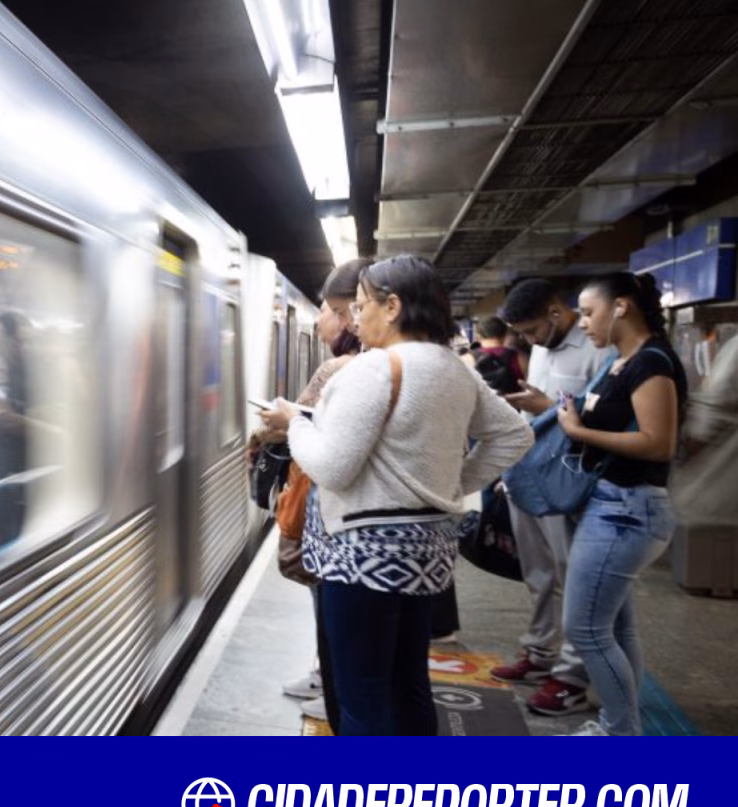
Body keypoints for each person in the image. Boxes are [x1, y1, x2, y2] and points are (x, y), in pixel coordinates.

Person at [260, 255, 532, 735]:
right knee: (409, 685)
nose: (355, 318)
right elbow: (515, 434)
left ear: (392, 307)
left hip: (362, 558)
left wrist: (294, 424)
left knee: (362, 698)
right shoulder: (455, 368)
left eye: (361, 305)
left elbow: (332, 468)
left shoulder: (374, 369)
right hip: (426, 555)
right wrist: (449, 484)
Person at [557, 272, 687, 736]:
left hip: (627, 510)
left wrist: (579, 432)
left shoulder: (650, 362)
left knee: (585, 628)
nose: (583, 322)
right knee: (613, 627)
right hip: (614, 506)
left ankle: (619, 733)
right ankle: (622, 726)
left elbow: (658, 443)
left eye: (588, 312)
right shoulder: (620, 360)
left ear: (621, 307)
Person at [258, 257, 368, 730]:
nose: (326, 319)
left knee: (339, 624)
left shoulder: (340, 370)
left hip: (340, 524)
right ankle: (333, 684)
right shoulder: (402, 366)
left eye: (332, 309)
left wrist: (285, 424)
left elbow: (315, 443)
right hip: (369, 534)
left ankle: (334, 690)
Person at [492, 278, 611, 716]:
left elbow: (605, 418)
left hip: (567, 482)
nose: (529, 341)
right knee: (538, 572)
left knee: (572, 575)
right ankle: (540, 651)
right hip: (528, 473)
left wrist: (547, 407)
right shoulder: (542, 348)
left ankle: (572, 675)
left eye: (532, 331)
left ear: (556, 314)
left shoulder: (598, 349)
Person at [473, 315, 527, 395]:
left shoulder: (468, 358)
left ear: (479, 336)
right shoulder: (520, 357)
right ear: (505, 333)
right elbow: (528, 387)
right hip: (513, 402)